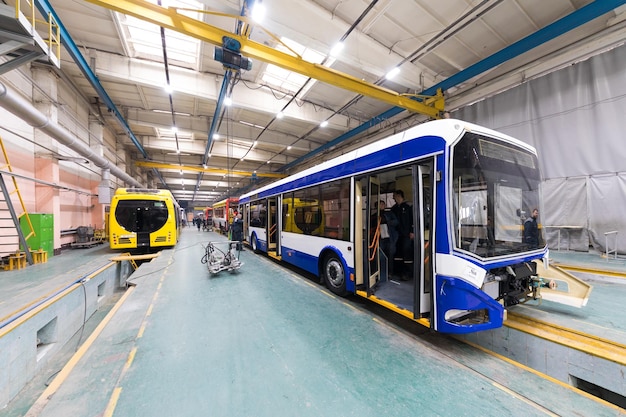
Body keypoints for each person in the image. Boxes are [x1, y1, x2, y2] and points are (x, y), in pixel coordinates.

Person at [391, 190, 414, 280]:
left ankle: (408, 273)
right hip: (397, 235)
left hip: (407, 234)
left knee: (407, 253)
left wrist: (412, 231)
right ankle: (399, 272)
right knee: (398, 254)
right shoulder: (394, 208)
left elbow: (413, 219)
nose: (393, 198)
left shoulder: (408, 206)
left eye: (394, 196)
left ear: (399, 196)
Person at [378, 200, 399, 277]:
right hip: (381, 238)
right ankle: (382, 272)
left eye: (383, 204)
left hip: (390, 238)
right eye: (380, 204)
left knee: (390, 255)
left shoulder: (389, 213)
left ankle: (390, 272)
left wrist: (387, 221)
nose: (381, 206)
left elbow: (396, 222)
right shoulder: (375, 215)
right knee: (381, 256)